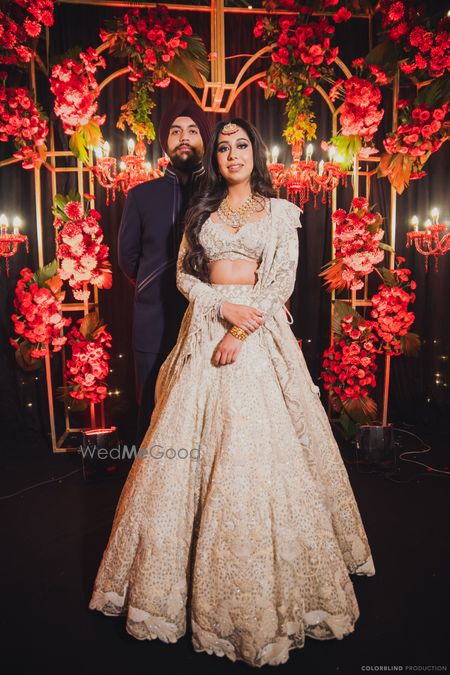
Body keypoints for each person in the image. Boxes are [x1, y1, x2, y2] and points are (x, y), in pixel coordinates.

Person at [90, 118, 375, 668]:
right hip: (203, 328)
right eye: (223, 147)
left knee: (253, 442)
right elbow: (183, 278)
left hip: (257, 333)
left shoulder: (278, 211)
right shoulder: (203, 212)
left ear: (255, 153)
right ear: (216, 158)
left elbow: (280, 282)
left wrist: (242, 330)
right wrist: (220, 308)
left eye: (241, 144)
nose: (231, 153)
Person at [117, 100, 212, 449]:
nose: (183, 138)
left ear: (205, 138)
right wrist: (152, 284)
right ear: (165, 142)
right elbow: (128, 260)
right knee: (153, 410)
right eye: (175, 131)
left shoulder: (219, 196)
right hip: (153, 322)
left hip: (207, 322)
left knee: (204, 411)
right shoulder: (141, 197)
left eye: (192, 130)